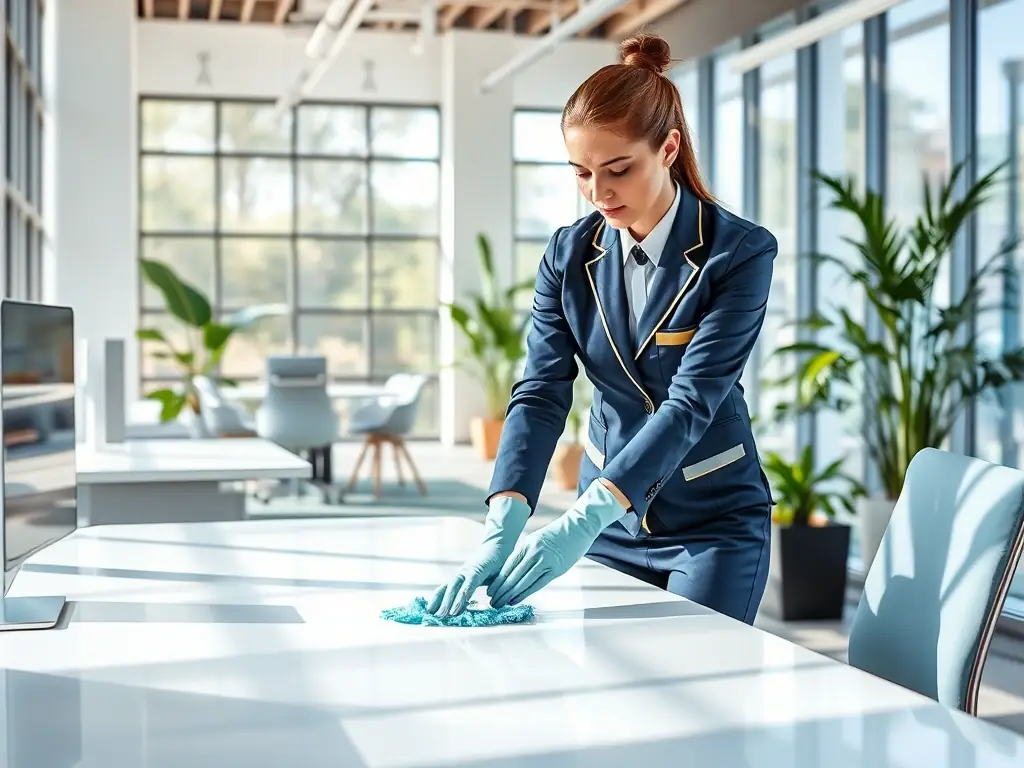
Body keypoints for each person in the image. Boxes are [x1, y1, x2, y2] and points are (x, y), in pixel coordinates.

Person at [428, 32, 777, 623]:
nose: (598, 193)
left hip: (709, 523)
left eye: (617, 168)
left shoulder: (738, 253)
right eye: (580, 172)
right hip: (607, 529)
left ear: (667, 149)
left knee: (699, 683)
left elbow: (691, 402)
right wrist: (504, 515)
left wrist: (584, 516)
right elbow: (541, 391)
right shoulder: (568, 255)